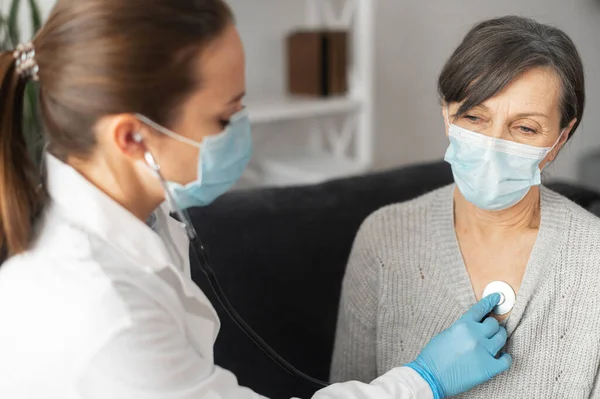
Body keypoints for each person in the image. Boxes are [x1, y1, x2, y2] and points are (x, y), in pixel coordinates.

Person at [0, 1, 510, 398]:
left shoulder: (142, 216)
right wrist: (426, 380)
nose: (241, 131)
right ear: (133, 139)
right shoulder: (102, 315)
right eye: (224, 118)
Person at [331, 15, 600, 399]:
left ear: (560, 138)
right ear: (447, 115)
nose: (492, 145)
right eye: (474, 117)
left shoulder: (594, 259)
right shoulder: (384, 239)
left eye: (525, 128)